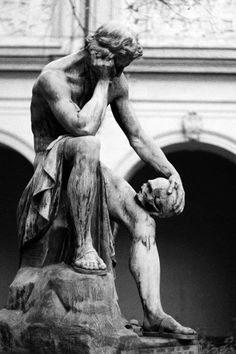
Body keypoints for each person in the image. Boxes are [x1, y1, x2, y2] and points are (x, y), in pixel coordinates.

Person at [17, 21, 196, 336]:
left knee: (144, 220)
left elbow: (137, 136)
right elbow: (81, 127)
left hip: (89, 167)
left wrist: (171, 171)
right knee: (89, 144)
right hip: (51, 168)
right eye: (118, 64)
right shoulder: (53, 79)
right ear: (98, 52)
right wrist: (102, 83)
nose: (120, 72)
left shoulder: (116, 79)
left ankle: (154, 314)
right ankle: (82, 246)